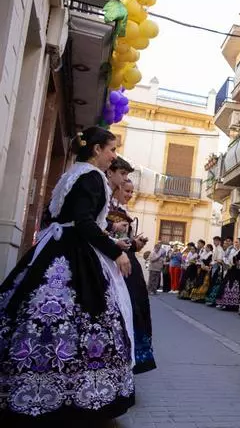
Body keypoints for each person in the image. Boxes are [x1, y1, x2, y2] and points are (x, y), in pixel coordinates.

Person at [0, 127, 135, 424]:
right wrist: (116, 252)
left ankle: (27, 381)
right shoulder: (92, 176)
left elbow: (59, 217)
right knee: (88, 314)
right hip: (75, 254)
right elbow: (85, 222)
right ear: (97, 149)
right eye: (111, 150)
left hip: (54, 248)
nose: (113, 157)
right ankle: (78, 393)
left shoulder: (69, 174)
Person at [111, 177, 156, 374]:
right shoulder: (111, 212)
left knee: (136, 305)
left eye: (131, 192)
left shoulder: (121, 212)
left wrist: (135, 243)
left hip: (128, 263)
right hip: (116, 264)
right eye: (126, 191)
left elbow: (124, 241)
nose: (129, 195)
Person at [216, 238, 240, 310]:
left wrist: (231, 262)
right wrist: (226, 262)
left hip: (237, 271)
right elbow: (228, 258)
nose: (236, 243)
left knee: (234, 285)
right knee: (226, 284)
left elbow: (238, 261)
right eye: (235, 242)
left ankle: (233, 304)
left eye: (237, 242)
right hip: (230, 269)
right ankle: (225, 303)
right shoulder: (233, 250)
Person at [205, 237, 231, 305]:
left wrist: (213, 263)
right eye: (214, 241)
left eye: (216, 241)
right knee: (213, 282)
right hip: (214, 266)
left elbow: (219, 260)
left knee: (216, 282)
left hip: (218, 267)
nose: (214, 242)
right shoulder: (216, 249)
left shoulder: (220, 249)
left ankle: (214, 300)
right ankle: (212, 299)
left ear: (219, 242)